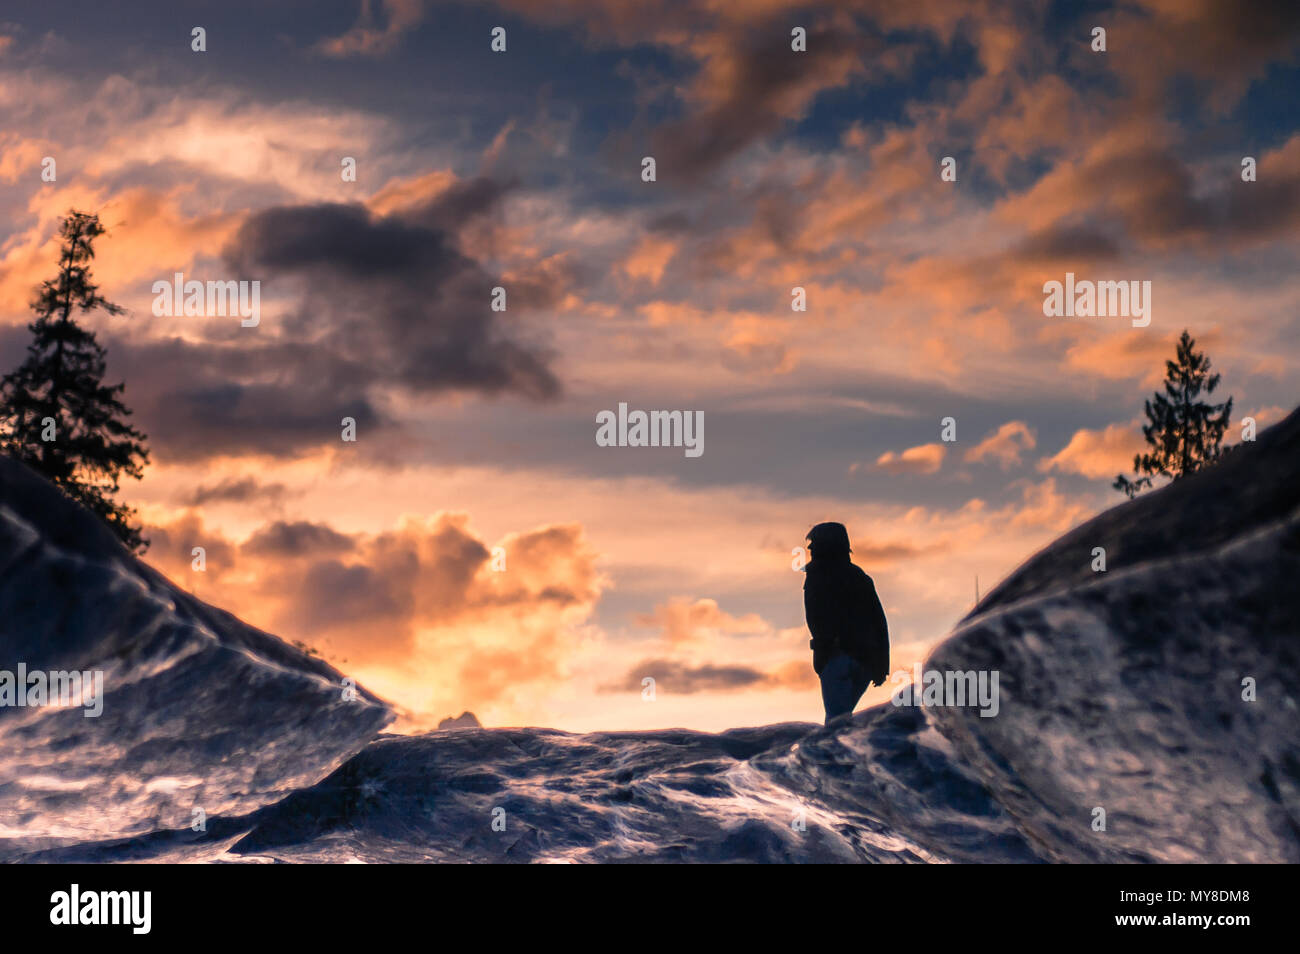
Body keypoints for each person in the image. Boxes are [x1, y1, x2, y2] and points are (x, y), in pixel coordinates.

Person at [802, 522, 890, 724]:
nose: (809, 548)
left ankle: (837, 755)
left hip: (836, 657)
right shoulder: (860, 577)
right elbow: (879, 622)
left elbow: (814, 617)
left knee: (836, 722)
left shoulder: (816, 575)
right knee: (843, 719)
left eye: (814, 543)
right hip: (865, 660)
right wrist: (882, 665)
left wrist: (823, 652)